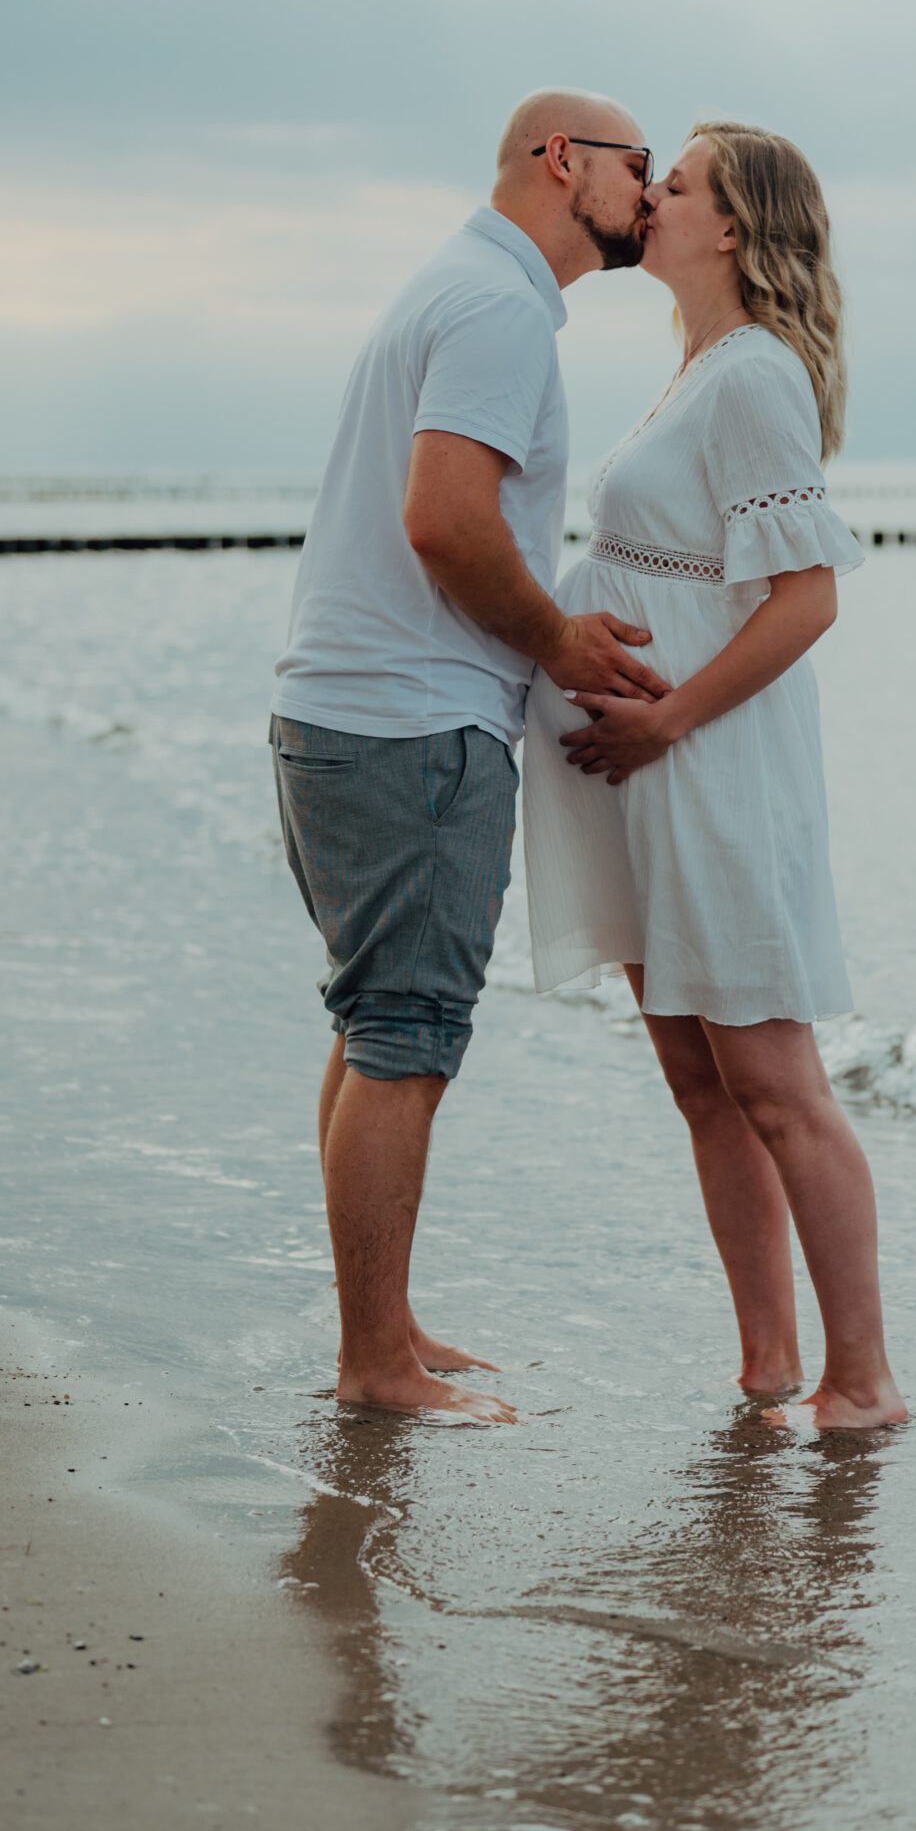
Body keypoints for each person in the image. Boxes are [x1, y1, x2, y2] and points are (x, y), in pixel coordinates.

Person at [271, 89, 666, 1422]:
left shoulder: (457, 288)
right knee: (406, 1035)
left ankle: (382, 1329)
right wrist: (557, 638)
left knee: (374, 1021)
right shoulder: (498, 310)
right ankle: (374, 1365)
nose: (653, 194)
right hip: (412, 727)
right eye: (637, 168)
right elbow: (445, 519)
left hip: (345, 715)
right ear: (564, 162)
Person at [523, 123, 907, 1431]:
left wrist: (669, 719)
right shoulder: (696, 369)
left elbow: (807, 603)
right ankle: (764, 1364)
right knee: (702, 1081)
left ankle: (863, 1381)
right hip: (649, 767)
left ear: (732, 227)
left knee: (776, 1084)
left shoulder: (752, 378)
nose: (650, 198)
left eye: (673, 186)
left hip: (712, 765)